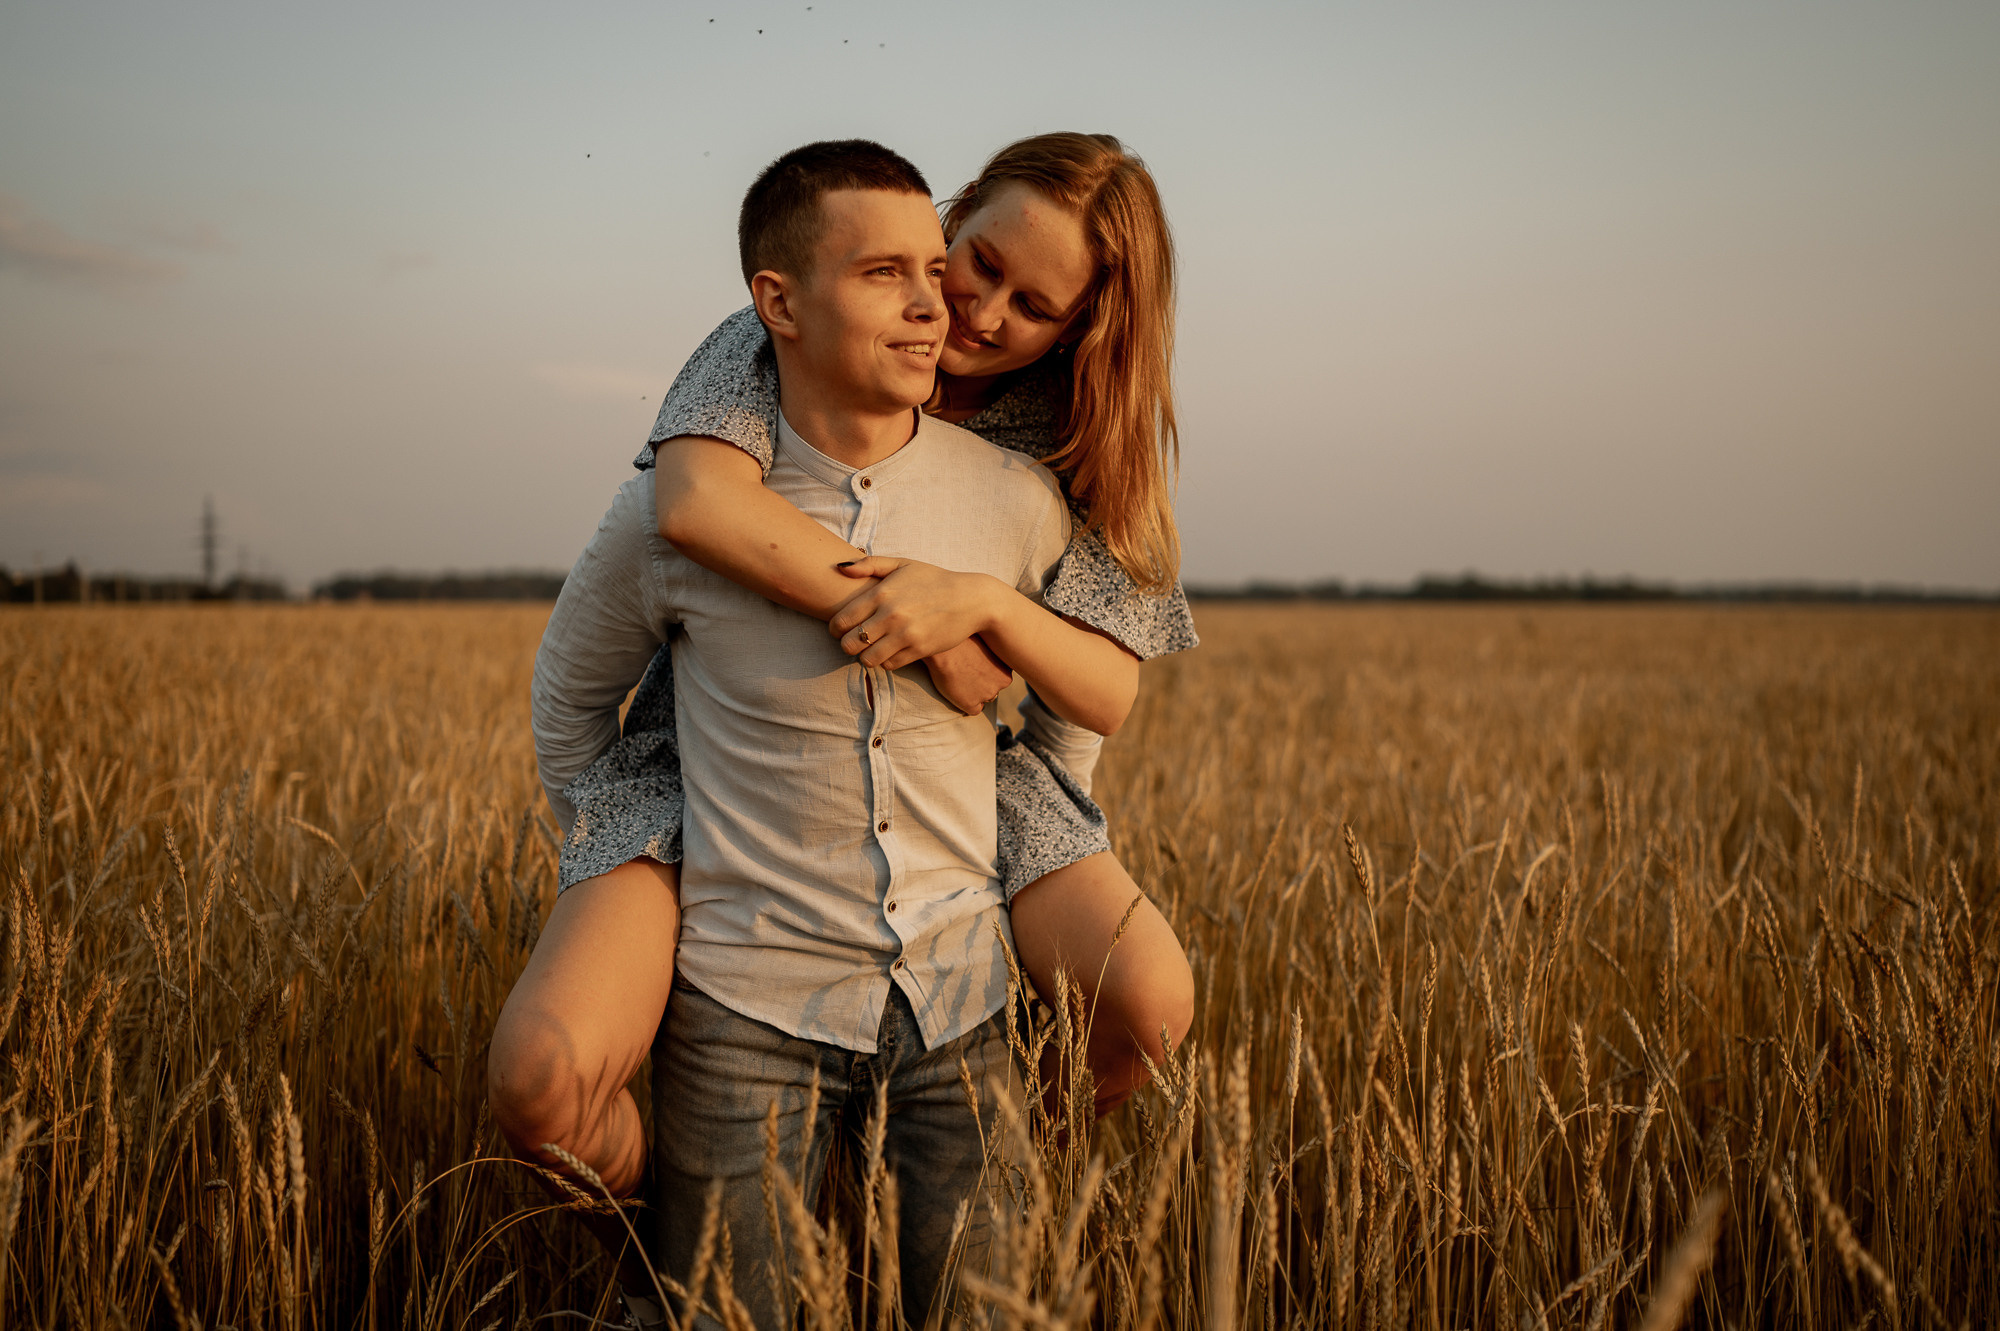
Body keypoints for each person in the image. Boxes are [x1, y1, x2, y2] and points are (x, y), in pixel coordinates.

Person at [492, 140, 1085, 1329]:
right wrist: (650, 861)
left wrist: (1025, 865)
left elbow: (1067, 723)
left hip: (956, 1003)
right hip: (744, 1009)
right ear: (776, 304)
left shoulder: (1014, 502)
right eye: (884, 274)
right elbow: (570, 711)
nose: (936, 305)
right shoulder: (677, 512)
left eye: (934, 267)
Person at [565, 132, 1198, 1131]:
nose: (980, 315)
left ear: (1081, 327)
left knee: (1151, 1003)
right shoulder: (773, 332)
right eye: (979, 264)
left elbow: (1097, 696)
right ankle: (662, 1268)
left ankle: (993, 1161)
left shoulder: (1077, 428)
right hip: (736, 741)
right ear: (962, 204)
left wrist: (982, 609)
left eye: (1032, 307)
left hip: (981, 766)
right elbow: (692, 502)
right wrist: (926, 625)